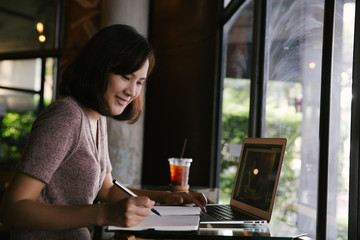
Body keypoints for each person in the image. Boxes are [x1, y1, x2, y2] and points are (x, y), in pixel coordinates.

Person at [0, 24, 207, 239]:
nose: (132, 91)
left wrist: (167, 198)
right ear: (99, 67)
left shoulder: (97, 118)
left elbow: (106, 189)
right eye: (126, 77)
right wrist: (103, 213)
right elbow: (13, 208)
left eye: (140, 82)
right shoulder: (65, 118)